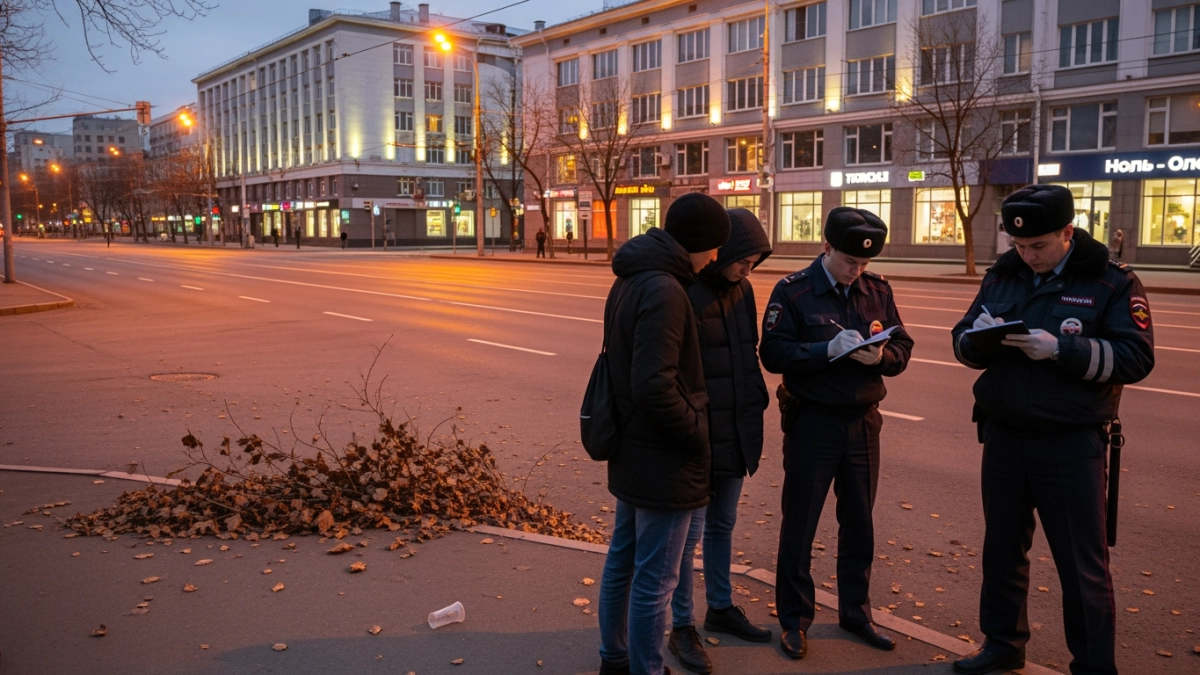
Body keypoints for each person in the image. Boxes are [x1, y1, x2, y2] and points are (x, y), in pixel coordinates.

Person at [949, 185, 1155, 675]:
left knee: (1082, 567)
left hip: (1071, 443)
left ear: (1067, 232)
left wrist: (1061, 350)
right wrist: (980, 341)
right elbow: (960, 339)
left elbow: (1137, 357)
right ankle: (1002, 645)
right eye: (1019, 246)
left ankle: (1092, 664)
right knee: (1002, 551)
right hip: (1003, 436)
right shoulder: (1005, 274)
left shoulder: (1110, 282)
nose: (1028, 255)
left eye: (1038, 245)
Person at [760, 207, 914, 661]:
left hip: (864, 420)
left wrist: (882, 359)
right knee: (801, 523)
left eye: (863, 263)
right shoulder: (794, 290)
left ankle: (856, 612)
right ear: (826, 247)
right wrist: (825, 349)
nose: (856, 270)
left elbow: (902, 345)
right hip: (813, 420)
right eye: (849, 260)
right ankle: (794, 619)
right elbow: (772, 352)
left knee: (860, 522)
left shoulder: (876, 289)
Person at [597, 192, 731, 675]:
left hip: (633, 446)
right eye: (714, 246)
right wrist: (697, 432)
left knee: (623, 561)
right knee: (656, 579)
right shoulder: (666, 290)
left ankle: (615, 659)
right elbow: (654, 385)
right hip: (664, 457)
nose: (716, 257)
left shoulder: (633, 278)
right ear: (697, 243)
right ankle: (646, 669)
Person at [668, 209, 773, 675]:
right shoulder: (685, 293)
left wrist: (755, 399)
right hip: (699, 433)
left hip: (735, 428)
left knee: (722, 524)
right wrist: (695, 426)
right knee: (687, 534)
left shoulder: (743, 290)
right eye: (745, 260)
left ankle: (721, 606)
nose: (749, 270)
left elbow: (746, 353)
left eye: (755, 262)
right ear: (723, 252)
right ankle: (682, 625)